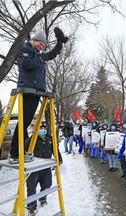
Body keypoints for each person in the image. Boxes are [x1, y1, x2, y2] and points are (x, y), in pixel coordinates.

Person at [9, 28, 67, 164]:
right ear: (34, 40)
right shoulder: (26, 48)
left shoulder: (38, 54)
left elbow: (51, 54)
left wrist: (59, 44)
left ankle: (21, 151)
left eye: (44, 45)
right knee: (23, 123)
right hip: (27, 90)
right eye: (41, 44)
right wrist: (40, 59)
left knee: (26, 123)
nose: (42, 47)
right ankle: (14, 153)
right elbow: (26, 64)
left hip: (36, 91)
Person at [24, 123, 63, 215]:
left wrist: (59, 159)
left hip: (46, 167)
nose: (43, 130)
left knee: (47, 184)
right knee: (31, 187)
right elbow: (24, 150)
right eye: (40, 128)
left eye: (44, 128)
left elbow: (55, 150)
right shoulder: (32, 139)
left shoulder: (50, 139)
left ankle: (43, 198)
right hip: (34, 168)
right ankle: (31, 206)